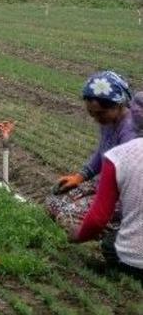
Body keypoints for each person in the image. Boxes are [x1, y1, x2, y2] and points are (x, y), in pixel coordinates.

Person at [46, 71, 136, 234]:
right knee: (54, 200)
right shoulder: (109, 121)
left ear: (119, 104)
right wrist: (80, 176)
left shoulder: (130, 132)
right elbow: (102, 152)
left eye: (100, 113)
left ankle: (117, 234)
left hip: (124, 193)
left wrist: (99, 202)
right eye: (91, 113)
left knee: (68, 216)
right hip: (105, 183)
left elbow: (125, 178)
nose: (96, 119)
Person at [70, 91, 143, 283]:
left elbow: (96, 220)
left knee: (111, 243)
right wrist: (81, 176)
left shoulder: (121, 155)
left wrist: (76, 236)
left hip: (133, 262)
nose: (96, 119)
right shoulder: (111, 132)